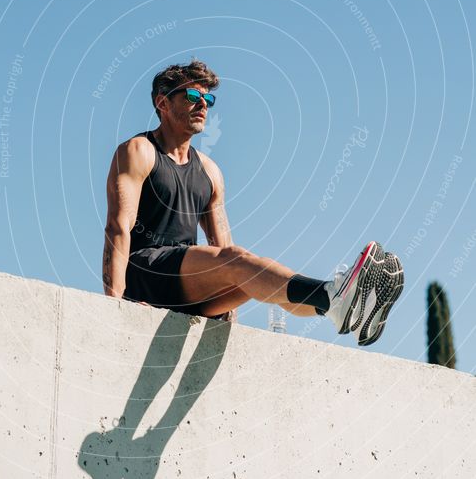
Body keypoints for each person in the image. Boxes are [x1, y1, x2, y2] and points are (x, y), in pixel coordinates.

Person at [102, 60, 404, 346]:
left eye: (208, 100)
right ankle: (333, 294)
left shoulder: (210, 172)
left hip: (187, 284)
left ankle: (334, 308)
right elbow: (118, 228)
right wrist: (115, 303)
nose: (203, 105)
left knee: (254, 280)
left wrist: (229, 318)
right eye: (193, 95)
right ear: (163, 103)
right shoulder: (138, 151)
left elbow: (224, 251)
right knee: (237, 261)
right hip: (148, 272)